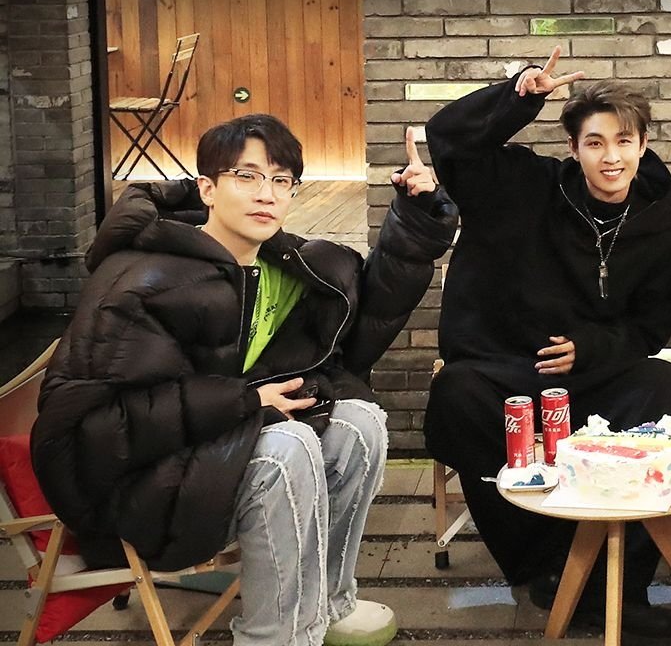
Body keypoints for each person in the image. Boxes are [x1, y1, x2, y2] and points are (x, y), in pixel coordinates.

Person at [31, 114, 458, 646]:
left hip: (218, 455)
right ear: (207, 189)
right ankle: (273, 636)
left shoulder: (286, 263)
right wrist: (244, 400)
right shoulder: (139, 281)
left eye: (281, 180)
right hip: (140, 484)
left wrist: (416, 215)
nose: (266, 194)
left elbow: (365, 320)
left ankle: (328, 604)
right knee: (286, 446)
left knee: (358, 422)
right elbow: (96, 429)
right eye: (247, 176)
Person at [421, 48, 671, 644]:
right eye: (595, 143)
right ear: (574, 148)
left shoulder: (656, 225)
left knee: (661, 384)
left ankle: (621, 587)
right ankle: (544, 563)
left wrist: (591, 348)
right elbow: (450, 142)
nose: (610, 156)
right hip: (508, 368)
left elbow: (650, 328)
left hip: (592, 376)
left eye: (623, 141)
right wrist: (517, 98)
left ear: (643, 145)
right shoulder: (526, 185)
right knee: (458, 395)